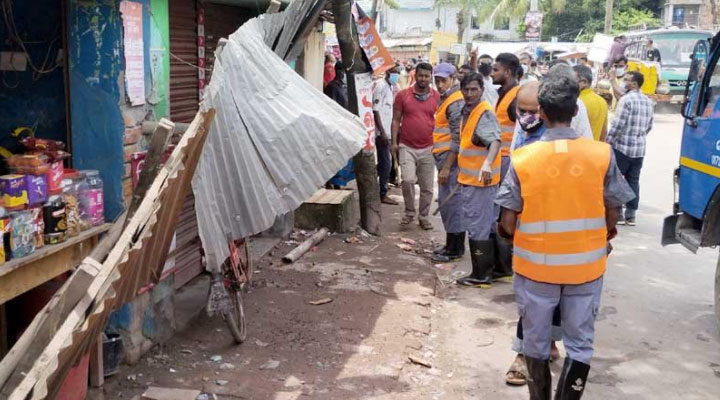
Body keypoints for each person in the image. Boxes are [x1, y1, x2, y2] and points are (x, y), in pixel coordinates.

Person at [496, 68, 635, 400]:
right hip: (586, 269)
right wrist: (603, 237)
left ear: (541, 113)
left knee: (536, 342)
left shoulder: (523, 159)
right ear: (576, 111)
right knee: (580, 343)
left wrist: (513, 237)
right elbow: (612, 210)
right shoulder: (601, 155)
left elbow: (508, 220)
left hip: (535, 270)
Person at [503, 80, 563, 387]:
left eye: (531, 111)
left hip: (556, 230)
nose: (526, 116)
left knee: (548, 298)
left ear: (545, 110)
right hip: (529, 231)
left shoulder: (558, 138)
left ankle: (534, 352)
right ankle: (529, 352)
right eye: (520, 110)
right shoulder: (522, 133)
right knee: (533, 299)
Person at [453, 73, 507, 286]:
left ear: (481, 90)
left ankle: (481, 275)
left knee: (478, 225)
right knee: (489, 224)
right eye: (465, 89)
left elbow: (494, 141)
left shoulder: (483, 113)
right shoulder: (468, 111)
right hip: (476, 179)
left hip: (480, 182)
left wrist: (486, 163)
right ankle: (501, 269)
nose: (469, 94)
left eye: (474, 89)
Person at [392, 63, 440, 230]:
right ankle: (410, 212)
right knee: (407, 180)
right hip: (407, 145)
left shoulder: (436, 97)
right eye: (420, 75)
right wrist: (393, 142)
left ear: (430, 77)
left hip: (428, 147)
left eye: (427, 76)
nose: (423, 79)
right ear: (415, 76)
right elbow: (396, 120)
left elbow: (440, 122)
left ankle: (424, 216)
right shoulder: (403, 95)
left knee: (427, 187)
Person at [607, 70, 653, 226]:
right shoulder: (648, 101)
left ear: (634, 84)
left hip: (622, 147)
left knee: (618, 180)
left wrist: (608, 141)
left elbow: (618, 125)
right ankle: (631, 215)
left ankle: (619, 214)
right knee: (634, 180)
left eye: (626, 80)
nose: (623, 82)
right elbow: (649, 126)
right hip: (639, 149)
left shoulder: (626, 100)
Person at [430, 63, 466, 263]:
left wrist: (446, 167)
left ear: (453, 78)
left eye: (443, 80)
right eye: (437, 80)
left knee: (453, 204)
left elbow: (457, 138)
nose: (439, 84)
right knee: (448, 205)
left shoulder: (455, 101)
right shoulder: (447, 99)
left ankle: (455, 248)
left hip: (450, 162)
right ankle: (450, 244)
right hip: (444, 158)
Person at [374, 65, 401, 205]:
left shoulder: (390, 87)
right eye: (395, 72)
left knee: (385, 163)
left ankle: (380, 188)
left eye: (399, 72)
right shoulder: (381, 87)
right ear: (388, 72)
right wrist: (382, 132)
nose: (397, 75)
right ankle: (382, 193)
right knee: (385, 163)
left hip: (388, 131)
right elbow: (376, 110)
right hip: (382, 133)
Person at [491, 53, 521, 178]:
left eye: (496, 70)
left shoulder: (517, 97)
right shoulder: (503, 94)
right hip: (499, 156)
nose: (492, 73)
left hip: (507, 158)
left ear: (507, 72)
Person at [575, 65, 609, 141]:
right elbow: (604, 132)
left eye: (572, 80)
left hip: (580, 148)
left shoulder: (577, 102)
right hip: (595, 148)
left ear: (584, 82)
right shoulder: (602, 101)